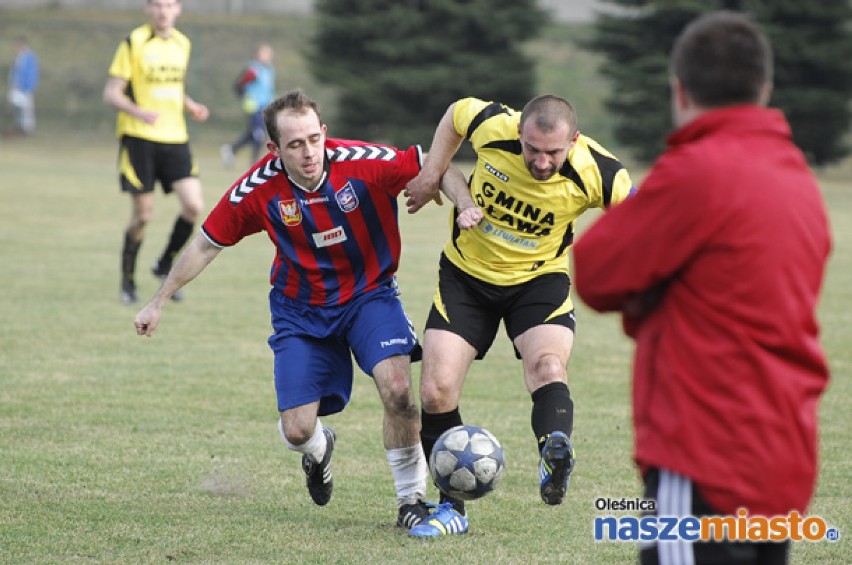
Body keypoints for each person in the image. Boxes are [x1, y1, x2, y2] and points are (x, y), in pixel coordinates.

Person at [573, 11, 831, 565]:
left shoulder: (697, 169)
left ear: (680, 91)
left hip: (707, 452)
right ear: (764, 89)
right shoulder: (796, 177)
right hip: (781, 451)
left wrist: (649, 294)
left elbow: (594, 273)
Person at [133, 89, 436, 530]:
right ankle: (318, 449)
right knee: (296, 430)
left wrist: (460, 202)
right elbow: (205, 243)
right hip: (300, 310)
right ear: (273, 149)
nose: (309, 152)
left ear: (324, 132)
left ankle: (411, 501)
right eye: (295, 144)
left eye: (314, 138)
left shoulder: (362, 160)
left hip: (370, 294)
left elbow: (432, 161)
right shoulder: (257, 189)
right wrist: (158, 300)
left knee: (399, 391)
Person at [403, 95, 635, 537]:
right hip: (466, 278)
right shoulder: (492, 124)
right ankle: (452, 509)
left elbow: (649, 217)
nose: (542, 162)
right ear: (519, 134)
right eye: (532, 149)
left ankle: (554, 450)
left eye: (554, 152)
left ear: (574, 140)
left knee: (548, 366)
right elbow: (454, 115)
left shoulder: (599, 171)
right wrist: (433, 172)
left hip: (538, 281)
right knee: (435, 391)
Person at [103, 0, 209, 305]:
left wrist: (191, 106)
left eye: (169, 5)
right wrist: (138, 112)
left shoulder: (182, 44)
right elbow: (111, 92)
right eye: (157, 5)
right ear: (148, 9)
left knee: (193, 205)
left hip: (175, 137)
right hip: (139, 138)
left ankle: (164, 264)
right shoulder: (134, 42)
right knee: (143, 215)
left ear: (179, 9)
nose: (163, 11)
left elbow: (173, 87)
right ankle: (128, 281)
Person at [220, 43, 276, 168]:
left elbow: (268, 89)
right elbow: (239, 85)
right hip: (253, 106)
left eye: (268, 54)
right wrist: (244, 95)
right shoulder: (253, 69)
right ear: (258, 55)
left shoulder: (270, 69)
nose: (266, 56)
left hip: (265, 107)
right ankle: (255, 164)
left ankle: (231, 149)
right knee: (258, 135)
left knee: (253, 134)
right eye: (263, 53)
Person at [5, 35, 39, 138]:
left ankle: (27, 128)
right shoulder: (19, 57)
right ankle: (20, 126)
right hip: (17, 87)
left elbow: (31, 73)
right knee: (19, 106)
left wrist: (27, 86)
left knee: (27, 108)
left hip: (25, 87)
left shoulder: (30, 57)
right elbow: (16, 72)